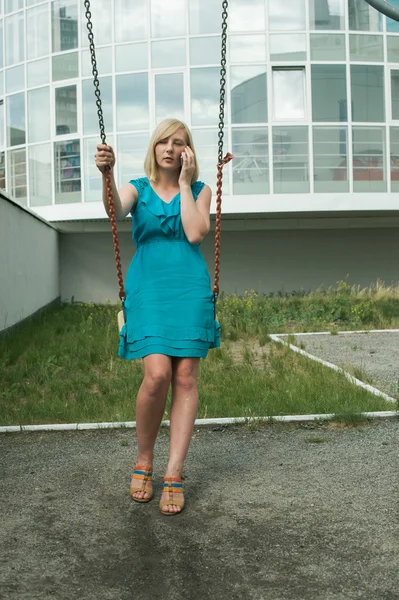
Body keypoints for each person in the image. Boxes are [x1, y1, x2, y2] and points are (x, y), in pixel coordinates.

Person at [95, 118, 220, 516]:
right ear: (154, 147)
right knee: (157, 376)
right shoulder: (139, 187)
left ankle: (173, 473)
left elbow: (196, 232)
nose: (169, 148)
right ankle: (144, 459)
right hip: (148, 289)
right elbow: (115, 213)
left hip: (190, 290)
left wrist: (184, 183)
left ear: (188, 152)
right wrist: (106, 174)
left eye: (178, 143)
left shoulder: (201, 190)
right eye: (163, 141)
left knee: (185, 377)